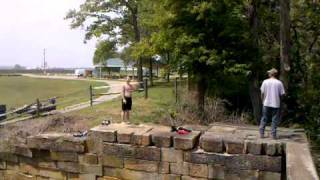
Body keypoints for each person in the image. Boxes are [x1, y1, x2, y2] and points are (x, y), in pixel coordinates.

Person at [259, 68, 286, 139]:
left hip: (266, 102)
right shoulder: (279, 83)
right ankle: (273, 135)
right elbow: (282, 94)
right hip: (276, 103)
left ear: (271, 74)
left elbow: (262, 93)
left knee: (264, 118)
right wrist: (280, 101)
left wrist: (262, 101)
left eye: (269, 73)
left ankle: (261, 133)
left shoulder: (265, 82)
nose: (268, 74)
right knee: (274, 119)